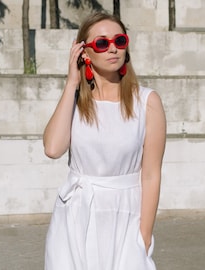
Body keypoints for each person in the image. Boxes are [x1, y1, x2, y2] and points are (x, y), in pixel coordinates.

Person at [43, 11, 166, 270]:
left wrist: (143, 236)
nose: (113, 48)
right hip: (75, 215)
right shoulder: (75, 102)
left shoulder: (147, 102)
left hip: (125, 217)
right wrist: (71, 83)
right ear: (84, 52)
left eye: (119, 41)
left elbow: (151, 175)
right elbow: (53, 149)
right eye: (102, 43)